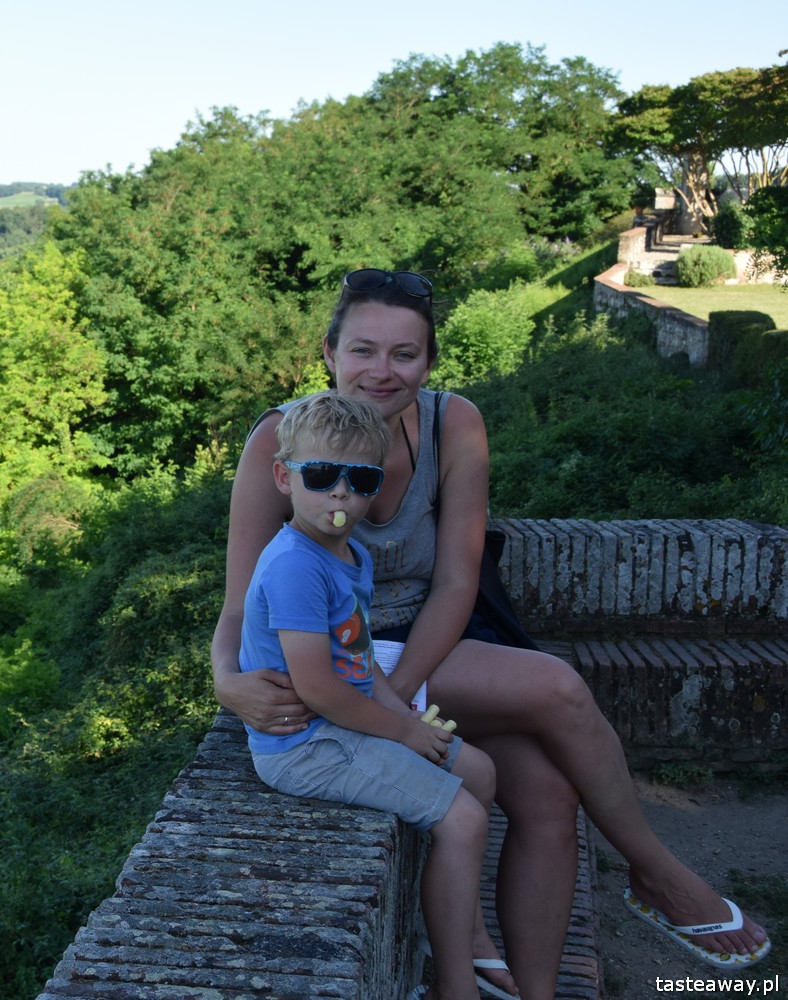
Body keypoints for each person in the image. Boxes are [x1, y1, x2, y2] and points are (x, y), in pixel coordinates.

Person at [211, 269, 772, 1000]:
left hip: (425, 649)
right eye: (365, 350)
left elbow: (455, 581)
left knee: (546, 794)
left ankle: (531, 991)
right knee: (560, 689)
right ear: (329, 351)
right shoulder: (278, 444)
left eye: (405, 354)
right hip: (344, 661)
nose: (383, 371)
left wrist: (398, 703)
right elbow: (239, 600)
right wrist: (225, 681)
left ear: (430, 360)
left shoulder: (454, 424)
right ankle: (656, 873)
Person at [242, 390, 496, 1000]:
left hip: (344, 721)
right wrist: (406, 731)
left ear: (375, 486)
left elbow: (355, 658)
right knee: (462, 819)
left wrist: (395, 707)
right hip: (306, 744)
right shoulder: (297, 565)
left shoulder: (347, 551)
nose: (339, 493)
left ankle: (461, 922)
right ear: (285, 476)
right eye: (322, 475)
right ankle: (455, 983)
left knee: (482, 775)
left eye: (359, 479)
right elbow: (318, 688)